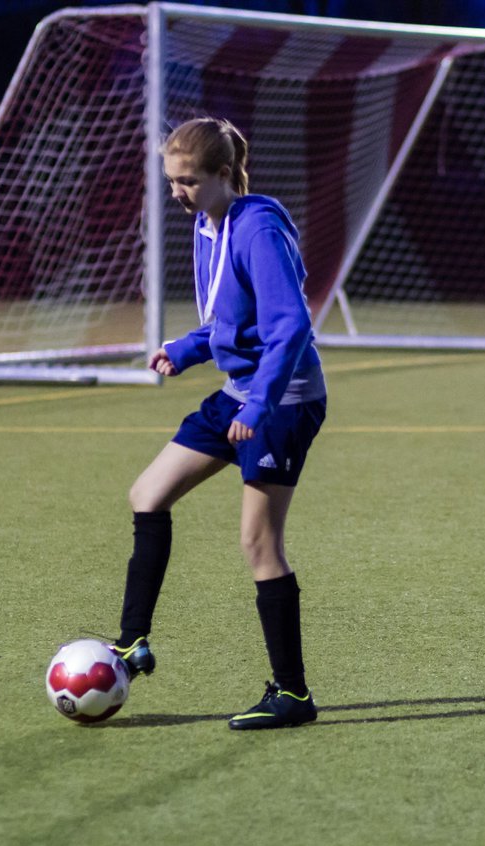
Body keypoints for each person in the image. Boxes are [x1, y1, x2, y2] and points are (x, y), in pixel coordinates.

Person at [110, 117, 327, 730]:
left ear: (223, 175)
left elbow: (289, 327)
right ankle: (133, 646)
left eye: (188, 181)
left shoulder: (256, 227)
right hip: (240, 393)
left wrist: (258, 406)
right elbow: (230, 322)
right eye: (171, 182)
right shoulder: (208, 225)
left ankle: (292, 694)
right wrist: (186, 348)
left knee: (259, 544)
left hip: (281, 401)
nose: (176, 192)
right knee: (147, 495)